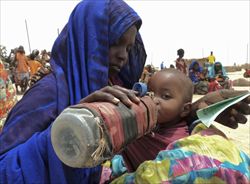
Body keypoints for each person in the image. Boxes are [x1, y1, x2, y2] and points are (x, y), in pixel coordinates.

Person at [0, 0, 249, 183]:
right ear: (88, 37)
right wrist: (69, 133)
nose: (123, 55)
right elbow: (5, 170)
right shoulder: (49, 94)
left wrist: (195, 111)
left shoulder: (113, 86)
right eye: (114, 42)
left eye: (128, 48)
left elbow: (142, 119)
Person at [122, 68, 194, 172]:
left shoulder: (179, 145)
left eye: (165, 96)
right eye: (149, 93)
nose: (153, 100)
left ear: (185, 109)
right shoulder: (146, 125)